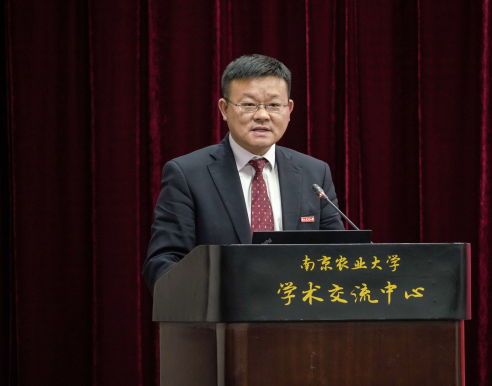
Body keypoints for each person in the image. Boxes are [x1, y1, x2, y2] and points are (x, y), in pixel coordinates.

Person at [142, 54, 344, 293]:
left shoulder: (315, 173)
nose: (262, 115)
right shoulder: (187, 175)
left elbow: (340, 254)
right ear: (224, 109)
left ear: (289, 109)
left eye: (273, 105)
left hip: (300, 310)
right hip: (221, 312)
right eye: (249, 105)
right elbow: (163, 262)